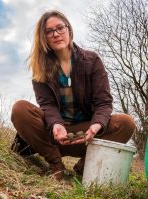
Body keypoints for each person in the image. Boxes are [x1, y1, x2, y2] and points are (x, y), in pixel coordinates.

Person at [11, 10, 136, 181]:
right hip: (54, 135)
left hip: (87, 136)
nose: (56, 34)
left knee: (126, 123)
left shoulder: (91, 60)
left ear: (69, 29)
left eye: (60, 28)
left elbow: (104, 102)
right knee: (20, 108)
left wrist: (97, 124)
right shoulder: (40, 67)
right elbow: (47, 105)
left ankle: (83, 168)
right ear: (44, 37)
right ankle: (56, 164)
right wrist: (56, 125)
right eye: (49, 31)